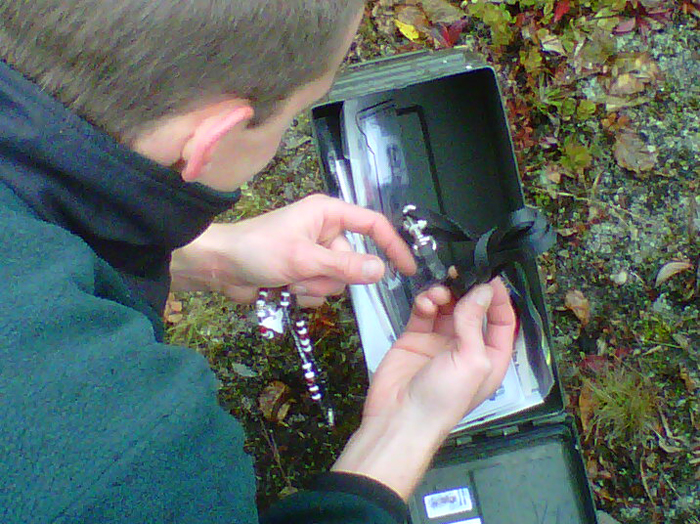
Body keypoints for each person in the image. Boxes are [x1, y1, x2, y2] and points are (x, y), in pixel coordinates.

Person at [0, 1, 517, 523]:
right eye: (295, 113)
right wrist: (407, 426)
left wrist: (209, 257)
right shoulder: (137, 463)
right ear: (212, 140)